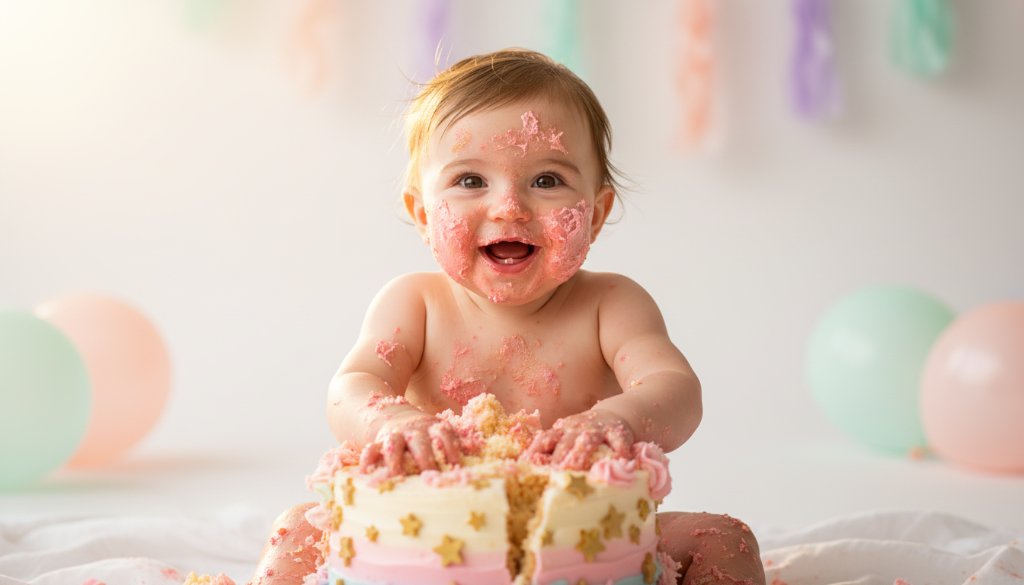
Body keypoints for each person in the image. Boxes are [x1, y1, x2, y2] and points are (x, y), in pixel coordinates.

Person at [251, 48, 766, 585]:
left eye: (546, 181)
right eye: (471, 181)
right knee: (298, 528)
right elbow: (352, 386)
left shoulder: (611, 305)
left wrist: (619, 418)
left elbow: (675, 388)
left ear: (595, 214)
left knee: (725, 536)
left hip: (576, 543)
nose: (510, 208)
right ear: (423, 215)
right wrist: (393, 421)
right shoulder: (415, 304)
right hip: (428, 536)